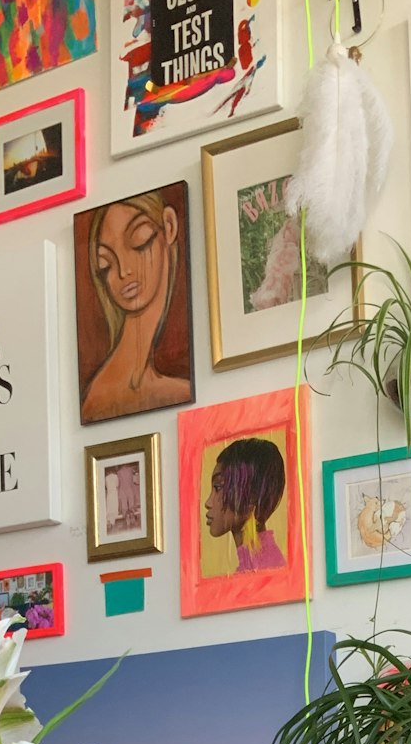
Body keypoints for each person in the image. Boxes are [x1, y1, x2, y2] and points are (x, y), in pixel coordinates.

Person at [80, 192, 190, 422]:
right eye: (106, 264)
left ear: (169, 227)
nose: (123, 271)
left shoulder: (171, 388)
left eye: (139, 241)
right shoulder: (104, 394)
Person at [204, 437, 286, 573]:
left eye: (218, 487)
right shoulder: (255, 564)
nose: (208, 503)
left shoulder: (264, 569)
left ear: (252, 496)